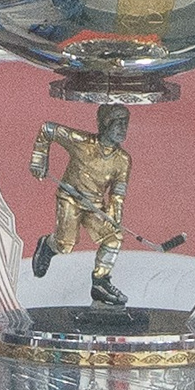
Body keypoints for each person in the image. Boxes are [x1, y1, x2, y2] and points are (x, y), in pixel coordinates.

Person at [29, 105, 130, 307]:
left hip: (95, 206)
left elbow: (118, 193)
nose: (122, 128)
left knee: (113, 237)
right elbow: (47, 130)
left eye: (125, 123)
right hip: (70, 199)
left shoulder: (123, 160)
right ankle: (47, 246)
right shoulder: (81, 142)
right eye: (117, 123)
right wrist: (39, 159)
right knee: (65, 245)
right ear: (104, 124)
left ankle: (100, 283)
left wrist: (114, 215)